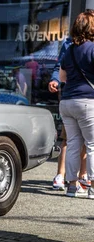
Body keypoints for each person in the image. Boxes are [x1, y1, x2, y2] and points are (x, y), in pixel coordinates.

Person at [58, 9, 94, 198]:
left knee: (73, 143)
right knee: (92, 144)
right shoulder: (93, 48)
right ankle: (92, 187)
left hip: (67, 102)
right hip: (88, 102)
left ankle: (72, 186)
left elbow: (62, 77)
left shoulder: (69, 50)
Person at [48, 36, 88, 191]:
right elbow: (60, 66)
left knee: (83, 141)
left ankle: (81, 178)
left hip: (74, 98)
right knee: (71, 139)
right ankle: (62, 175)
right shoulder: (69, 43)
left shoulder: (71, 44)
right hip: (78, 97)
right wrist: (55, 80)